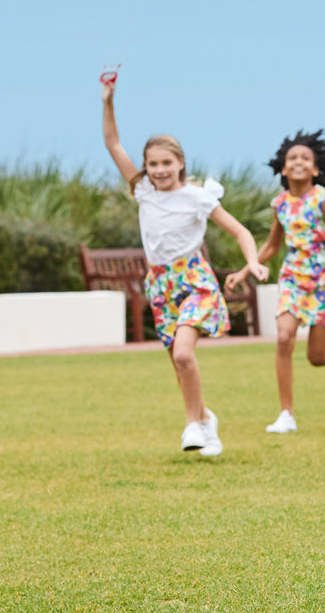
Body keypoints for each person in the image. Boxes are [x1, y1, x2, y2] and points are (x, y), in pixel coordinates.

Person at [101, 70, 268, 457]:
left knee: (183, 354)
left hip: (194, 280)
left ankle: (192, 425)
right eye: (152, 163)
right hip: (160, 283)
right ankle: (205, 421)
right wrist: (108, 102)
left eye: (166, 162)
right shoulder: (143, 190)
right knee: (180, 365)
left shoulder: (198, 198)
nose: (159, 170)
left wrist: (252, 263)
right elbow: (112, 143)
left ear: (180, 163)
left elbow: (240, 231)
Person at [228, 130, 325, 434]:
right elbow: (272, 246)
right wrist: (246, 269)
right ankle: (286, 414)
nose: (298, 162)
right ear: (284, 168)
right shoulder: (279, 204)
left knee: (315, 356)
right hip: (293, 278)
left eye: (305, 158)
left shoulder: (322, 199)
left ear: (315, 169)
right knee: (284, 337)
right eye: (292, 158)